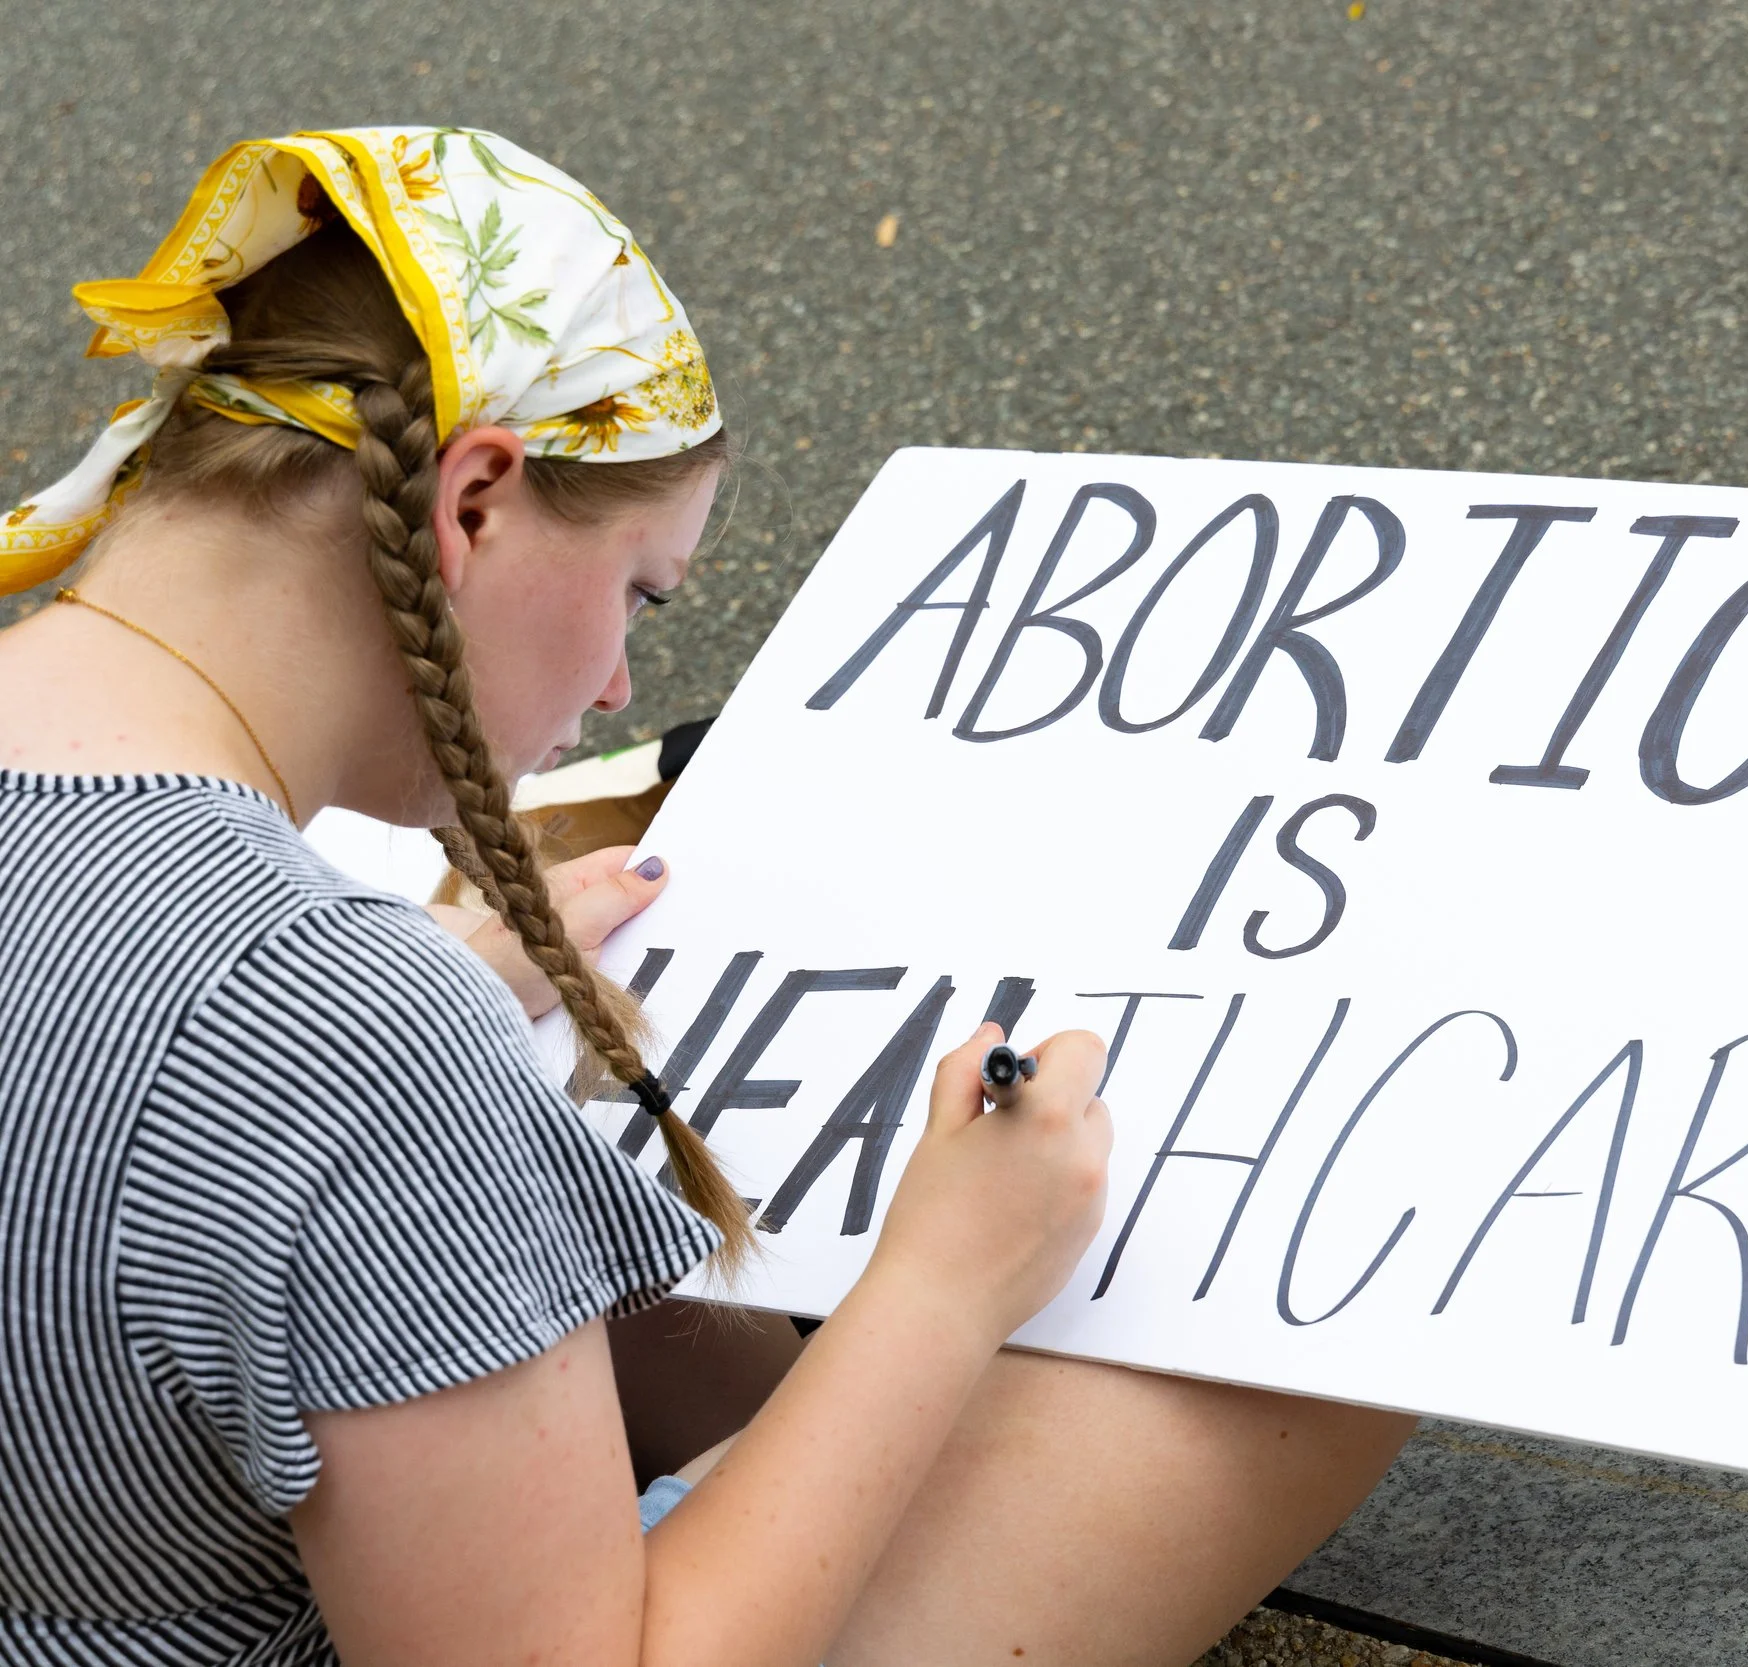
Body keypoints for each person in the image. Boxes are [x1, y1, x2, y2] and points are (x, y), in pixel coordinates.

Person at [0, 127, 1412, 1667]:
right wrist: (941, 1286)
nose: (614, 684)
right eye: (639, 594)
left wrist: (418, 1009)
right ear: (469, 500)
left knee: (640, 1312)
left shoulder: (275, 970)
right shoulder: (338, 1026)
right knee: (1316, 1344)